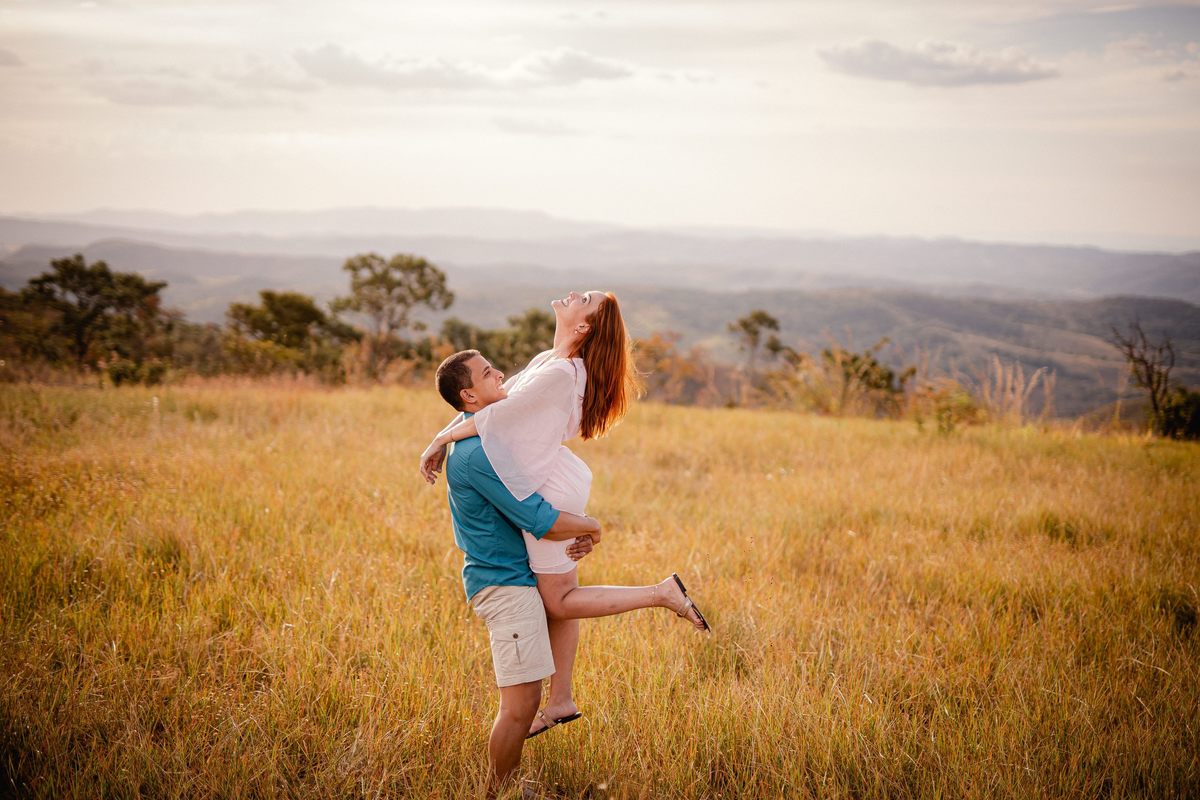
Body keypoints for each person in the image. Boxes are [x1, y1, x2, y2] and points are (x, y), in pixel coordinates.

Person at [424, 291, 709, 739]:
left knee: (557, 600)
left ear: (583, 327)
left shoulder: (558, 371)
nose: (574, 294)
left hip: (547, 485)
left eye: (586, 299)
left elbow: (496, 415)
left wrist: (439, 443)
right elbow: (489, 402)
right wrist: (440, 437)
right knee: (559, 599)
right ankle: (561, 700)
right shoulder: (548, 359)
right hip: (552, 476)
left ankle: (662, 593)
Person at [435, 348, 602, 797]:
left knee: (524, 702)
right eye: (489, 373)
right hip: (505, 587)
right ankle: (497, 792)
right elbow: (540, 520)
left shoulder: (487, 441)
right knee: (520, 705)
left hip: (516, 579)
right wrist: (591, 527)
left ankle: (507, 787)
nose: (501, 374)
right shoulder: (475, 455)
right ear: (470, 395)